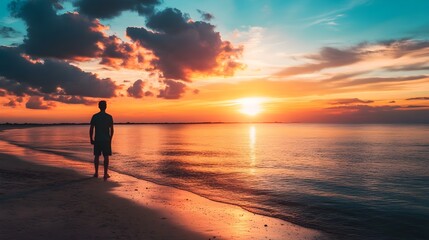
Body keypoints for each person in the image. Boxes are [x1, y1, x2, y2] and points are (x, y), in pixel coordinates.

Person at [89, 100, 114, 180]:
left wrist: (91, 139)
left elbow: (91, 129)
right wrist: (110, 139)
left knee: (97, 156)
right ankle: (105, 173)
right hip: (106, 140)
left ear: (99, 106)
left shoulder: (95, 116)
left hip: (98, 139)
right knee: (106, 156)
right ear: (105, 107)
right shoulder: (109, 117)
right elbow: (112, 130)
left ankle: (96, 173)